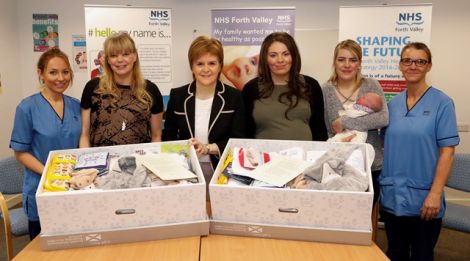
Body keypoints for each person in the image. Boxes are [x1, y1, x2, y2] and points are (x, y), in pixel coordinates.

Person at [379, 42, 459, 261]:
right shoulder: (392, 105)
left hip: (424, 198)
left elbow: (447, 152)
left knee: (422, 255)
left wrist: (435, 193)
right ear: (400, 65)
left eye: (420, 61)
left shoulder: (442, 103)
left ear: (429, 66)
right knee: (395, 252)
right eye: (407, 60)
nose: (413, 66)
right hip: (393, 196)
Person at [9, 47, 81, 240]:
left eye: (65, 72)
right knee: (44, 248)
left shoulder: (76, 105)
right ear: (40, 73)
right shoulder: (27, 108)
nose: (60, 78)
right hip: (42, 187)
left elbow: (81, 142)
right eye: (53, 72)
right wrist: (50, 173)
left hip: (73, 186)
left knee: (74, 243)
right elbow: (20, 152)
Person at [322, 39, 389, 241]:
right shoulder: (325, 89)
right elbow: (329, 127)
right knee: (337, 219)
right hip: (338, 165)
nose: (347, 64)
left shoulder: (371, 85)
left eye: (353, 60)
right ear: (334, 62)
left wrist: (344, 122)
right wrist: (343, 127)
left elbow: (383, 118)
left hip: (370, 165)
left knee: (365, 222)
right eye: (341, 59)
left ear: (359, 63)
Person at [163, 36, 245, 183]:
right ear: (192, 67)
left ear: (220, 66)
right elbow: (168, 137)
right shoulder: (177, 96)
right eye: (200, 64)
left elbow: (239, 140)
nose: (206, 69)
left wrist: (208, 148)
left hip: (223, 170)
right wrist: (184, 152)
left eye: (212, 63)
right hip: (185, 171)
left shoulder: (234, 97)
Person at [80, 32, 164, 147]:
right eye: (113, 55)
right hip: (101, 162)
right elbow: (85, 135)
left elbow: (156, 136)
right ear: (108, 60)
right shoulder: (93, 87)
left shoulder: (150, 90)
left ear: (134, 56)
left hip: (139, 162)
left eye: (125, 54)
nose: (119, 60)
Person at [242, 32, 327, 141]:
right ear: (265, 59)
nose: (280, 60)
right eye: (273, 55)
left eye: (286, 54)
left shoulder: (311, 85)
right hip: (264, 156)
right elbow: (245, 133)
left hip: (304, 156)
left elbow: (319, 131)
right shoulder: (251, 89)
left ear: (294, 56)